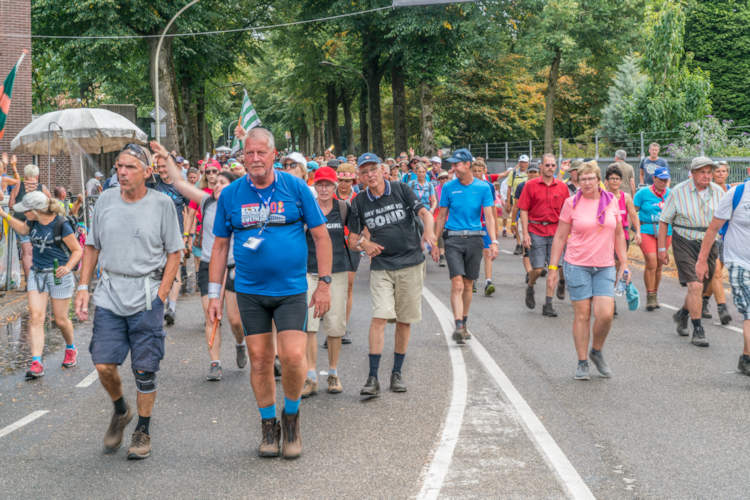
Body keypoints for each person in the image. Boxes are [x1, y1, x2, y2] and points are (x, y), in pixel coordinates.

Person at [210, 126, 331, 459]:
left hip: (291, 289)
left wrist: (324, 283)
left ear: (273, 155)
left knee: (293, 357)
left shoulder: (295, 188)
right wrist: (212, 295)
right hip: (250, 292)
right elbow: (220, 247)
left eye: (261, 152)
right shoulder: (231, 194)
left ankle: (290, 417)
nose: (255, 158)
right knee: (261, 360)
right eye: (249, 153)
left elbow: (321, 237)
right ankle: (268, 425)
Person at [74, 142, 183, 460]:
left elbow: (175, 253)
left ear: (147, 173)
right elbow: (92, 246)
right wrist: (83, 286)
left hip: (146, 295)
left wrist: (162, 295)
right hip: (110, 293)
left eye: (130, 167)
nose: (121, 172)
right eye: (119, 166)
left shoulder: (162, 204)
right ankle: (121, 410)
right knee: (103, 364)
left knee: (144, 371)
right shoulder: (105, 200)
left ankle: (143, 430)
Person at [348, 152, 438, 396]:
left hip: (410, 263)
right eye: (364, 172)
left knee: (404, 320)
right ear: (360, 176)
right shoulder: (359, 203)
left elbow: (425, 213)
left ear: (382, 170)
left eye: (373, 170)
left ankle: (396, 373)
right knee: (379, 317)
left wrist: (428, 233)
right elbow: (353, 239)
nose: (370, 175)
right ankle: (372, 377)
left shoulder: (400, 189)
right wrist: (365, 245)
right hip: (382, 267)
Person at [155, 142, 247, 381]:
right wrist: (167, 158)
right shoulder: (207, 202)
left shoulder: (241, 205)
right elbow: (180, 184)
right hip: (209, 265)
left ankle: (239, 342)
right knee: (211, 315)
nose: (217, 186)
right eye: (215, 183)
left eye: (223, 183)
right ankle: (215, 362)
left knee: (235, 320)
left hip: (234, 267)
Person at [549, 161, 628, 380]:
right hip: (577, 264)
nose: (586, 182)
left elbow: (619, 234)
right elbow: (561, 236)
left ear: (597, 179)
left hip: (604, 265)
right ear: (578, 180)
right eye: (582, 179)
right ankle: (582, 361)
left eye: (590, 178)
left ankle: (597, 351)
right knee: (582, 315)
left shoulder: (611, 201)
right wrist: (553, 268)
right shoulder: (571, 202)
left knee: (605, 314)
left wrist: (624, 263)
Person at [0, 192, 83, 379]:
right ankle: (36, 362)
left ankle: (70, 348)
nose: (24, 214)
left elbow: (77, 250)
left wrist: (68, 267)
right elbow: (22, 230)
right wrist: (4, 215)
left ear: (35, 211)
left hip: (58, 275)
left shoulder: (61, 224)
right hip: (37, 274)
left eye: (25, 211)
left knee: (61, 320)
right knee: (36, 317)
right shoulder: (33, 222)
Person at [658, 156, 725, 347]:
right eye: (702, 172)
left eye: (709, 172)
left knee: (702, 286)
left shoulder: (719, 192)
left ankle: (683, 314)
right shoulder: (678, 192)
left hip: (710, 242)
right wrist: (662, 249)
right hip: (684, 240)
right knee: (694, 286)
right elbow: (664, 221)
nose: (707, 176)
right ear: (693, 173)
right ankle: (698, 329)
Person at [435, 149, 497, 344]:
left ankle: (465, 320)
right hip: (452, 238)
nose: (453, 168)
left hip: (475, 239)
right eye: (452, 165)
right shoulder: (448, 187)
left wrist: (494, 241)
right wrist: (436, 243)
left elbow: (489, 216)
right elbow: (441, 215)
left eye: (456, 164)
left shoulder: (483, 188)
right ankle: (458, 324)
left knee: (469, 284)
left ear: (467, 165)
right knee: (457, 283)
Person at [302, 167, 353, 396]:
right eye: (320, 184)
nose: (323, 189)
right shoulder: (306, 208)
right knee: (309, 326)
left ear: (335, 187)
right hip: (309, 270)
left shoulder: (343, 208)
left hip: (337, 272)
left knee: (334, 326)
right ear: (315, 186)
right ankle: (310, 375)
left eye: (328, 185)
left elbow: (355, 236)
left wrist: (364, 244)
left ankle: (333, 373)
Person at [695, 176, 750, 377]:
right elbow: (713, 229)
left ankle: (746, 357)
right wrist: (702, 261)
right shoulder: (737, 194)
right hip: (739, 263)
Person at [518, 153, 570, 317]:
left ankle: (548, 304)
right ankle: (531, 286)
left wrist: (568, 234)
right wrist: (525, 233)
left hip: (556, 231)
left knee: (554, 269)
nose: (550, 168)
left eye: (553, 165)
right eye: (547, 165)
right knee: (539, 269)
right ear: (541, 166)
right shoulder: (530, 185)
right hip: (536, 230)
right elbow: (524, 209)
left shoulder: (562, 187)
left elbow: (567, 212)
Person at [153, 154, 189, 326]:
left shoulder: (180, 186)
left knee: (174, 274)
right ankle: (161, 305)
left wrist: (187, 235)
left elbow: (190, 210)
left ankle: (171, 308)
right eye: (158, 167)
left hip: (176, 236)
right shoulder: (152, 184)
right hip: (156, 237)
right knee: (159, 273)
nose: (161, 170)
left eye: (164, 166)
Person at [604, 164, 641, 315]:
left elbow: (633, 215)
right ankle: (609, 301)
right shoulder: (603, 196)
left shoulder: (625, 197)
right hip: (606, 236)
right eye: (611, 178)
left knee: (619, 265)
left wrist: (638, 232)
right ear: (606, 181)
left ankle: (610, 295)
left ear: (621, 181)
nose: (614, 181)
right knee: (608, 267)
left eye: (617, 179)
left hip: (622, 236)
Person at [633, 166, 672, 310]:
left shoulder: (670, 194)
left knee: (660, 263)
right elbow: (633, 211)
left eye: (665, 180)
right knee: (651, 261)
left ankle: (655, 293)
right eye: (660, 179)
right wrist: (636, 230)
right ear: (654, 179)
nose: (663, 182)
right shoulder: (643, 193)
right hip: (646, 229)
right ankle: (650, 295)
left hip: (665, 232)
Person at [700, 160, 732, 324]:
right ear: (712, 174)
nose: (720, 174)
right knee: (716, 273)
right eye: (717, 171)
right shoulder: (708, 191)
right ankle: (722, 308)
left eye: (723, 171)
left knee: (714, 274)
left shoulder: (733, 190)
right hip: (712, 237)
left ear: (727, 173)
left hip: (729, 238)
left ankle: (703, 301)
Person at [10, 164, 52, 282]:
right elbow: (51, 203)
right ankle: (41, 279)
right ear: (37, 176)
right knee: (39, 250)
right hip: (39, 224)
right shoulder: (42, 188)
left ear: (25, 175)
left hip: (21, 223)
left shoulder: (19, 185)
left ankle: (30, 282)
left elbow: (10, 204)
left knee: (27, 253)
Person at [334, 162, 359, 344]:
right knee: (332, 286)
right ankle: (332, 326)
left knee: (348, 286)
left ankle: (343, 326)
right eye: (341, 180)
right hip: (332, 246)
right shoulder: (329, 197)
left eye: (348, 181)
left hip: (351, 247)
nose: (344, 184)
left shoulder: (358, 199)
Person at [470, 159, 498, 296]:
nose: (476, 173)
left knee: (487, 252)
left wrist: (495, 227)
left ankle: (488, 281)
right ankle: (473, 278)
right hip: (472, 224)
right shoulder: (468, 186)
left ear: (484, 171)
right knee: (474, 253)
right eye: (474, 171)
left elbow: (492, 207)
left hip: (485, 224)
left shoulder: (488, 186)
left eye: (479, 171)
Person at [506, 155, 530, 254]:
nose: (523, 164)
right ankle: (519, 243)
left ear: (528, 163)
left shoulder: (532, 173)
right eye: (521, 162)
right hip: (516, 200)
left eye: (525, 162)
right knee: (515, 222)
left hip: (527, 201)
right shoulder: (514, 173)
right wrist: (508, 202)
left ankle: (526, 243)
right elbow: (509, 188)